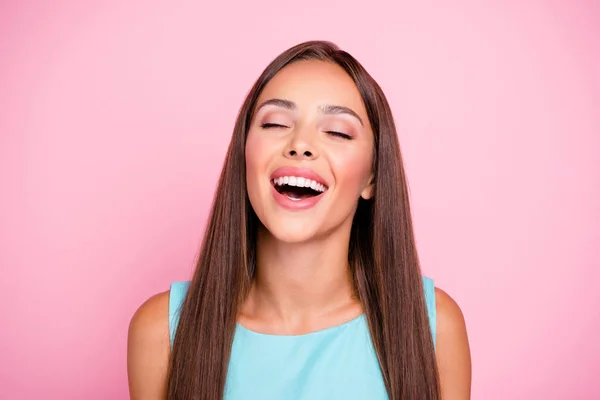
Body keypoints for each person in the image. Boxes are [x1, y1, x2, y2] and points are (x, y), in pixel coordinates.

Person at [127, 40, 471, 400]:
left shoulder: (434, 328)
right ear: (244, 155)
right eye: (275, 123)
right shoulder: (161, 334)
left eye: (337, 131)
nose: (301, 144)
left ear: (372, 178)